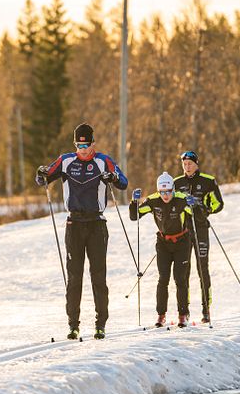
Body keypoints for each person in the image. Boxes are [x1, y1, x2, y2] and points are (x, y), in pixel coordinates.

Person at [35, 123, 128, 340]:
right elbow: (44, 178)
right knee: (74, 277)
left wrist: (112, 178)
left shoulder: (103, 161)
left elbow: (123, 182)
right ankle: (73, 325)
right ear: (75, 144)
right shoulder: (66, 160)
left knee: (98, 276)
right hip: (74, 224)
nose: (83, 150)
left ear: (93, 143)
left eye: (86, 145)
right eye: (79, 145)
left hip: (96, 224)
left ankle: (100, 324)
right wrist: (40, 174)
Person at [130, 172, 193, 328]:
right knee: (163, 278)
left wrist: (193, 204)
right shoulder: (153, 200)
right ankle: (161, 315)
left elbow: (196, 215)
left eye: (169, 191)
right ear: (158, 191)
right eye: (162, 192)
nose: (166, 195)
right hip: (163, 243)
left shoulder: (181, 199)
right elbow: (134, 216)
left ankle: (183, 314)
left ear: (173, 188)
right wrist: (134, 201)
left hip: (182, 242)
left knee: (180, 278)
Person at [173, 151, 224, 323]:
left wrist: (205, 209)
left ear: (196, 164)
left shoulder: (208, 181)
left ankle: (206, 309)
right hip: (183, 231)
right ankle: (184, 310)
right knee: (184, 270)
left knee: (203, 268)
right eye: (184, 164)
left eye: (190, 163)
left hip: (201, 229)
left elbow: (219, 204)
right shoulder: (176, 183)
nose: (187, 167)